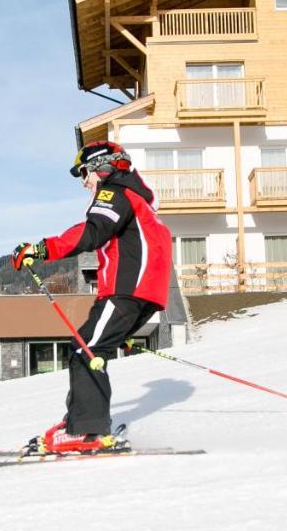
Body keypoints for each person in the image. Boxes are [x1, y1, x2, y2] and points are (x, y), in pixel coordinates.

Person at [10, 140, 173, 454]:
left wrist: (40, 249)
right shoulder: (135, 198)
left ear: (103, 167)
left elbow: (91, 232)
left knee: (86, 349)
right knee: (88, 346)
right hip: (140, 292)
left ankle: (87, 431)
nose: (84, 181)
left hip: (126, 290)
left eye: (84, 172)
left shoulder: (115, 192)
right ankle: (79, 422)